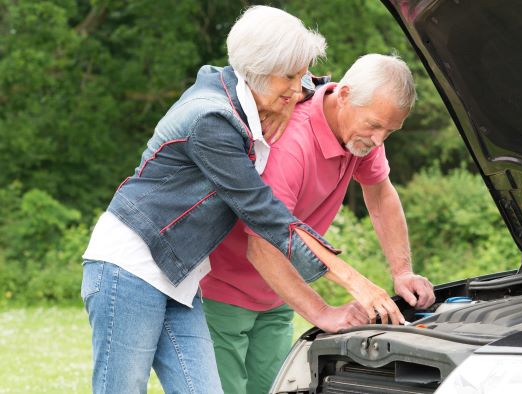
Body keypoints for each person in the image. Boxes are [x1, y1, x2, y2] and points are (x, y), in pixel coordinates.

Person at [80, 7, 402, 394]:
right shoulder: (211, 121)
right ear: (258, 70)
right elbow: (266, 216)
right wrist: (355, 283)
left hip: (180, 279)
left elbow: (324, 89)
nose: (298, 88)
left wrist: (282, 100)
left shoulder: (257, 96)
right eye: (288, 77)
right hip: (130, 268)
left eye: (300, 75)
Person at [201, 54, 436, 394]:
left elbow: (381, 194)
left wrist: (402, 271)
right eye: (374, 125)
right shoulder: (292, 145)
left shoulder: (362, 133)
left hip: (279, 293)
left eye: (390, 130)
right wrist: (324, 313)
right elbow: (263, 245)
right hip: (223, 292)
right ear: (343, 95)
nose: (379, 140)